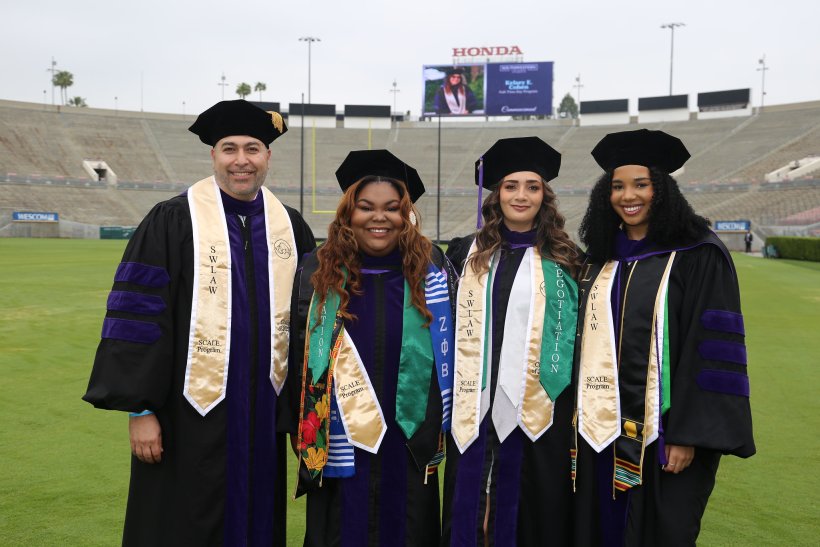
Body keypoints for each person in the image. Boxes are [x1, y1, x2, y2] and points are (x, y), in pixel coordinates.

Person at [83, 99, 316, 546]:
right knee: (182, 522)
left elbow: (310, 328)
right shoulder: (172, 220)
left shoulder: (291, 228)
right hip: (185, 416)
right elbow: (138, 318)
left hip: (265, 416)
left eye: (253, 148)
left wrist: (302, 417)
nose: (241, 160)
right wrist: (141, 409)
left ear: (268, 156)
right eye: (229, 148)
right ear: (213, 155)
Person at [572, 129, 755, 546]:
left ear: (663, 189)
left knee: (661, 530)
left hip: (666, 437)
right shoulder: (599, 258)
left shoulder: (697, 254)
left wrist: (687, 435)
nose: (628, 195)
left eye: (641, 184)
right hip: (598, 432)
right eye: (617, 186)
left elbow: (709, 352)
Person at [281, 150, 458, 546]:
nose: (379, 218)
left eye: (392, 208)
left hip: (409, 435)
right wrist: (299, 422)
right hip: (339, 436)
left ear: (406, 214)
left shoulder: (432, 271)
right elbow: (296, 353)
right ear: (349, 213)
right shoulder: (317, 270)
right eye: (366, 207)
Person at [442, 136, 581, 546]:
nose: (521, 195)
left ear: (545, 196)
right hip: (474, 403)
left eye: (532, 187)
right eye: (510, 185)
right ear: (496, 194)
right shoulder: (465, 253)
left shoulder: (568, 259)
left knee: (527, 510)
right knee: (471, 509)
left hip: (540, 411)